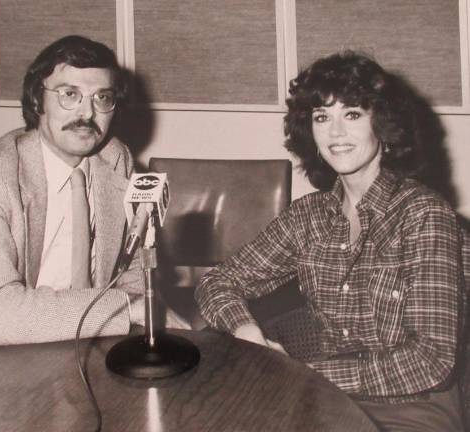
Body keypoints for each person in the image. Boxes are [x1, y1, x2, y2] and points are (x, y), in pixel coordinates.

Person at [195, 51, 465, 431]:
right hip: (325, 398)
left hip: (413, 406)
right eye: (322, 117)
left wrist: (304, 374)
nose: (335, 132)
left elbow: (431, 360)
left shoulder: (424, 214)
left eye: (352, 114)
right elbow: (218, 282)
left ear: (383, 126)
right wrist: (247, 332)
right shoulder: (309, 215)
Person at [0, 35, 186, 361]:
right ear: (38, 100)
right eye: (70, 95)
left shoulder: (115, 158)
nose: (87, 113)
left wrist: (152, 315)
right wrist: (126, 308)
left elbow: (131, 271)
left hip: (80, 348)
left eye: (102, 98)